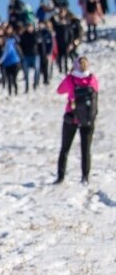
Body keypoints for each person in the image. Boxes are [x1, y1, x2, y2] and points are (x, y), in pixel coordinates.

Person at [55, 56, 99, 184]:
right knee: (86, 149)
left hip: (72, 117)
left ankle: (61, 176)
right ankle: (85, 176)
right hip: (88, 118)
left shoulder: (71, 79)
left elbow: (59, 90)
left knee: (65, 148)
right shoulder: (93, 79)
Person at [0, 30, 22, 96]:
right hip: (7, 64)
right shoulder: (0, 46)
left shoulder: (8, 44)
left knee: (13, 79)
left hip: (14, 63)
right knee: (8, 79)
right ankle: (10, 92)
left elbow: (5, 54)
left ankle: (16, 91)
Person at [17, 24, 40, 92]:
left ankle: (35, 83)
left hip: (35, 54)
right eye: (28, 27)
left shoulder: (36, 34)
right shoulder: (23, 35)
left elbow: (40, 43)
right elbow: (20, 45)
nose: (29, 28)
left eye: (31, 27)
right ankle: (27, 87)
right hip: (26, 55)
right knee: (26, 72)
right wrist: (22, 54)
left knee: (37, 69)